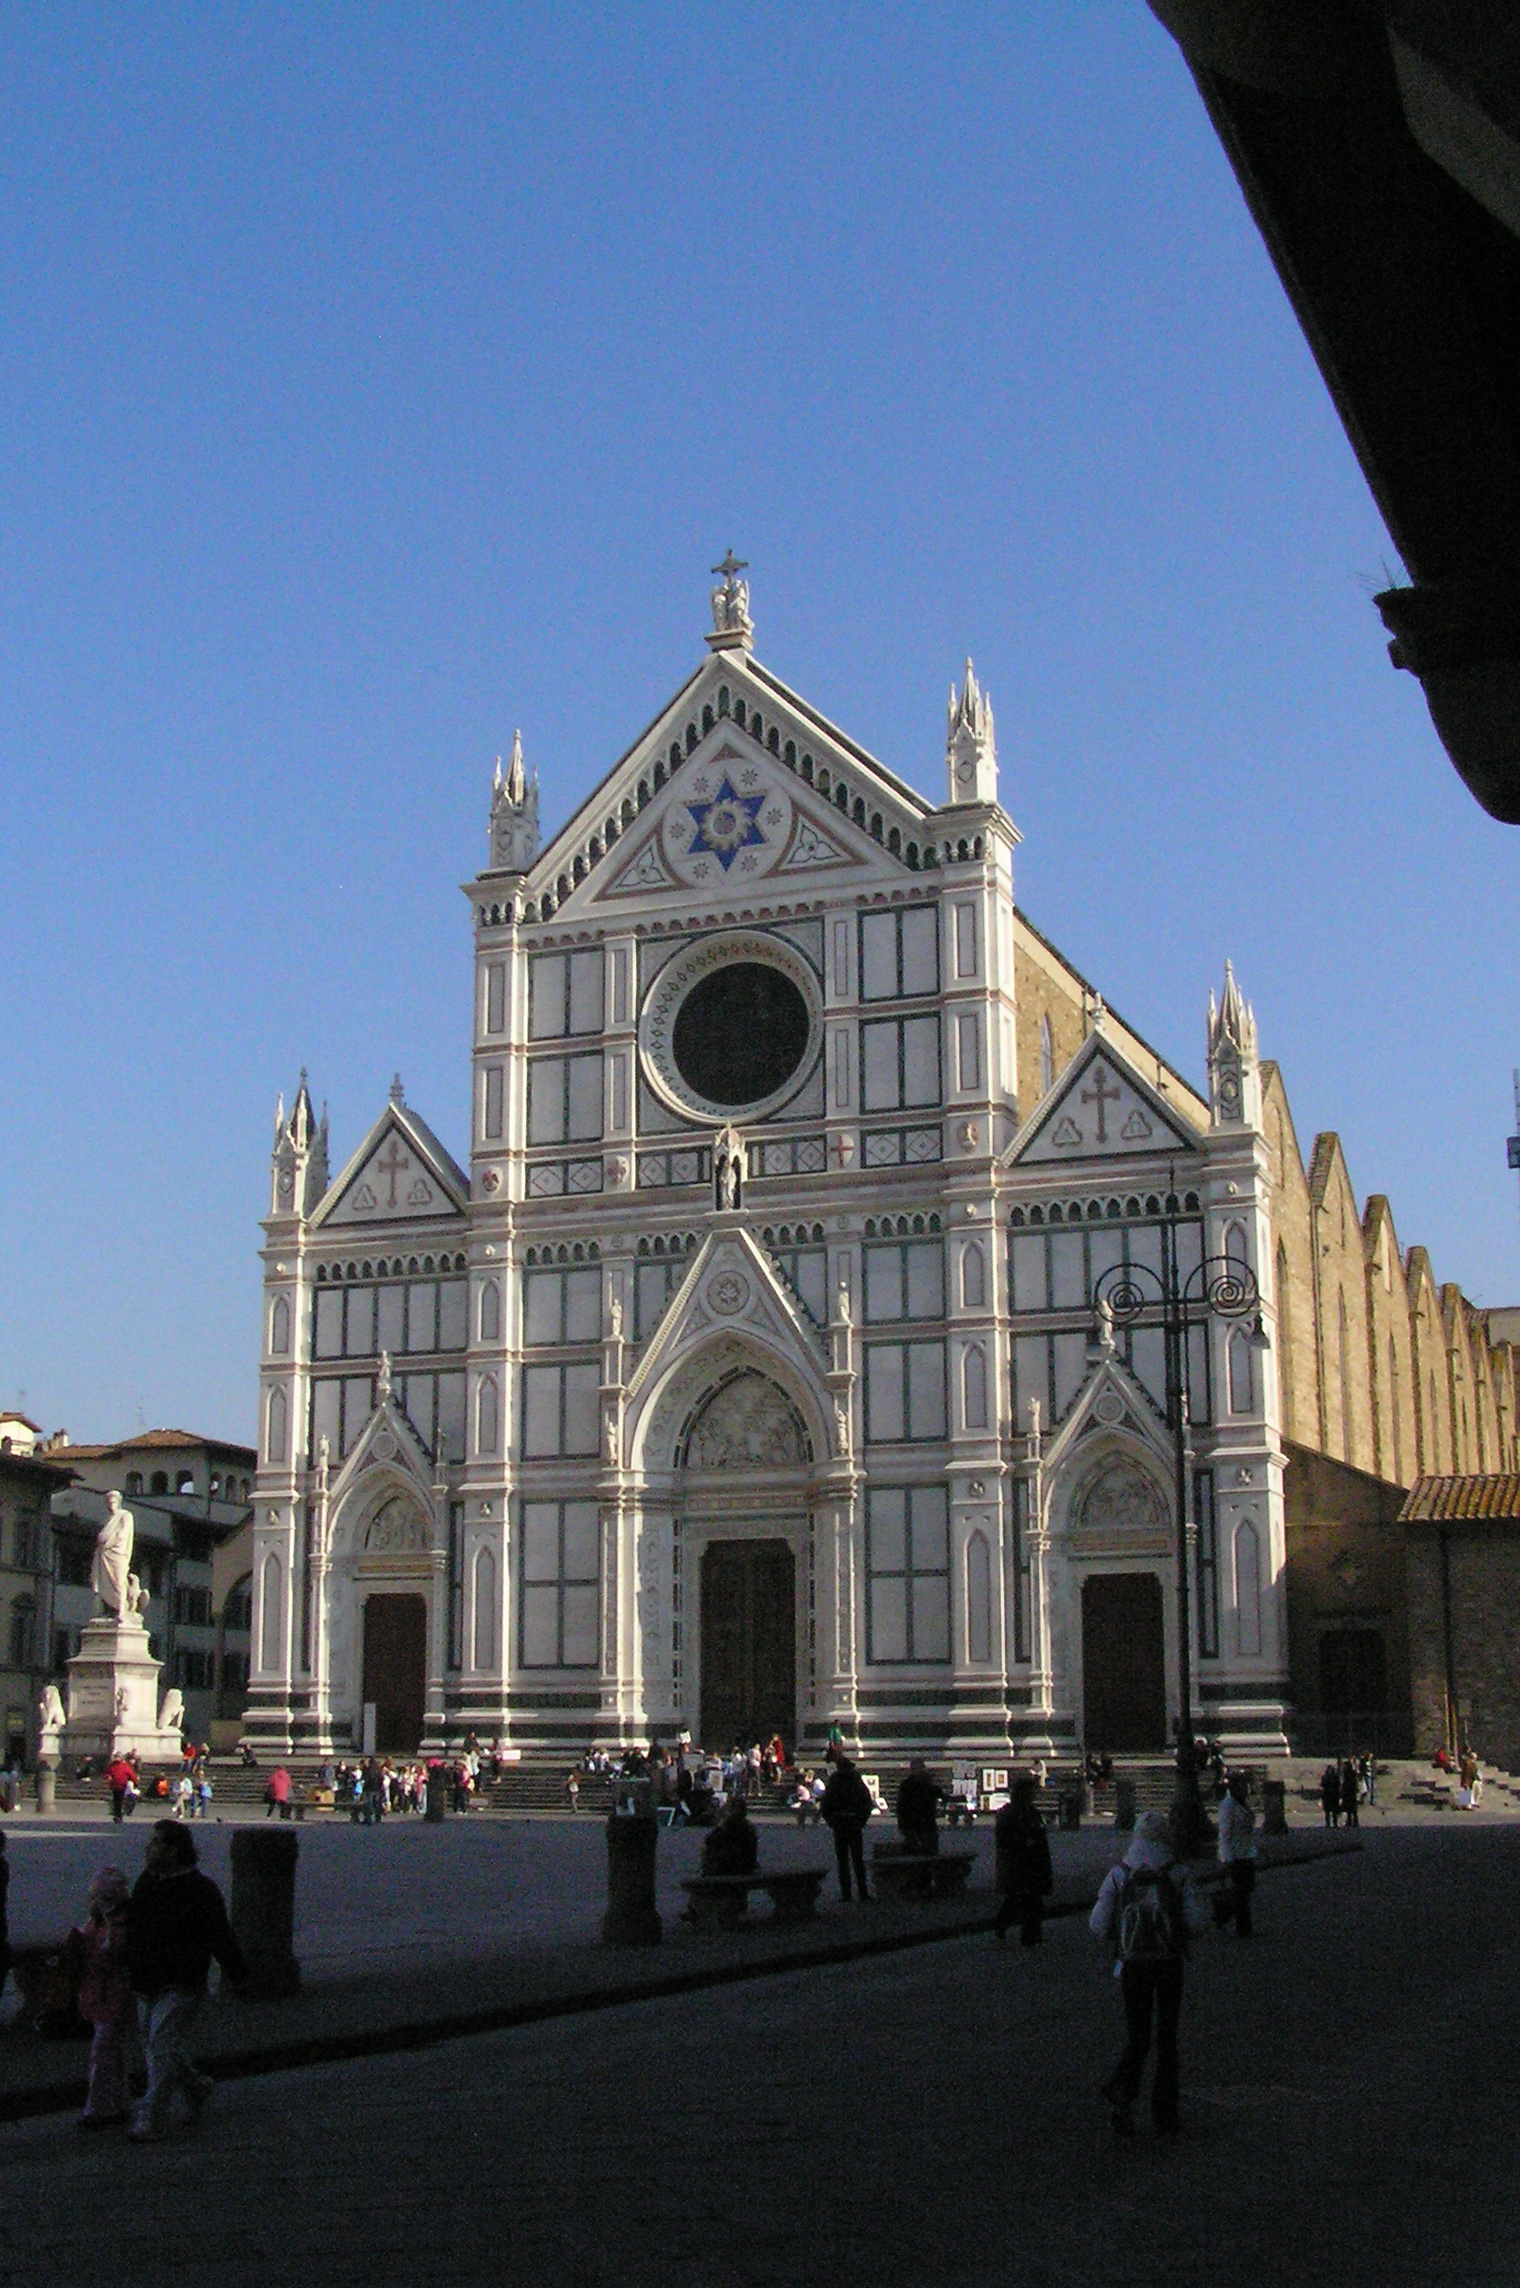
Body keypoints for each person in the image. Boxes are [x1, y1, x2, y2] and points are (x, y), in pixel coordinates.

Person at [125, 1820, 247, 2141]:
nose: (147, 1849)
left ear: (173, 1850)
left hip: (181, 1981)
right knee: (156, 2048)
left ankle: (150, 2115)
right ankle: (195, 2086)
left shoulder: (200, 1889)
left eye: (155, 1844)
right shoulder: (146, 1883)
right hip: (146, 1981)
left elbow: (220, 1935)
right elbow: (134, 1929)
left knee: (161, 2047)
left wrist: (239, 1975)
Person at [1090, 1810, 1209, 2137]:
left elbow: (1097, 1925)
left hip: (1132, 1964)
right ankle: (1165, 2111)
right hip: (1169, 1962)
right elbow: (1198, 1922)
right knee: (1167, 2038)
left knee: (1138, 2034)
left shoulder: (1119, 1873)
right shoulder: (1178, 1873)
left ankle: (1123, 2093)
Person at [75, 1867, 138, 2127]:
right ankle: (119, 2102)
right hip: (105, 1994)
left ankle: (99, 2107)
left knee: (103, 2049)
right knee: (112, 2051)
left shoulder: (114, 1924)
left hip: (112, 1993)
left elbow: (107, 1955)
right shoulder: (103, 1921)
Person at [994, 1775, 1053, 1946]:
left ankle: (1031, 1936)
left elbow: (1040, 1836)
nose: (1032, 1795)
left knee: (1030, 1901)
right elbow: (1004, 1840)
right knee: (1020, 1899)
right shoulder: (1010, 1814)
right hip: (1019, 1864)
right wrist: (1025, 1842)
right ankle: (1008, 1927)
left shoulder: (1032, 1812)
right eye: (1029, 1792)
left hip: (1033, 1864)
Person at [821, 1751, 874, 1903]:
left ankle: (846, 1894)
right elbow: (866, 1802)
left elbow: (826, 1804)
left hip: (840, 1823)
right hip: (854, 1822)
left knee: (843, 1861)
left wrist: (832, 1820)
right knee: (858, 1859)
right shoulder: (856, 1781)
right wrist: (861, 1819)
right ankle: (863, 1893)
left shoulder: (834, 1782)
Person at [1213, 1772, 1257, 1937]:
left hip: (1246, 1853)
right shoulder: (1228, 1805)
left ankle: (1223, 1916)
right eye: (1242, 1786)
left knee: (1246, 1889)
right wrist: (1226, 1858)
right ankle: (1243, 1928)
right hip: (1235, 1855)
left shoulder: (1242, 1804)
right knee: (1241, 1892)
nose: (1246, 1789)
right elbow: (1224, 1833)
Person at [702, 1793, 758, 1878]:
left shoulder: (727, 1826)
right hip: (746, 1869)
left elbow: (709, 1841)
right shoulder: (749, 1827)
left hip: (724, 1870)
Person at [895, 1759, 944, 1856]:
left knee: (916, 1852)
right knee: (925, 1852)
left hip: (917, 1824)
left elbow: (901, 1807)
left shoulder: (908, 1785)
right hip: (922, 1824)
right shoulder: (927, 1784)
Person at [107, 1754, 135, 1825]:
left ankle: (118, 1814)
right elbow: (107, 1772)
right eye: (116, 1757)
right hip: (114, 1785)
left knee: (119, 1800)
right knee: (116, 1800)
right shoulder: (112, 1765)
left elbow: (130, 1774)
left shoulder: (124, 1766)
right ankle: (117, 1814)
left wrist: (134, 1781)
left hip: (122, 1785)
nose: (117, 1758)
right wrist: (108, 1776)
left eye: (118, 1757)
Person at [1339, 1758, 1360, 1830]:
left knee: (1350, 1809)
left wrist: (1343, 1792)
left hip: (1349, 1793)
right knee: (1351, 1809)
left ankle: (1352, 1821)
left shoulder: (1348, 1775)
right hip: (1350, 1793)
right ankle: (1351, 1821)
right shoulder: (1350, 1775)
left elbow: (1347, 1785)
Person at [1320, 1763, 1341, 1829]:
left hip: (1328, 1795)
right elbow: (1338, 1785)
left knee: (1328, 1812)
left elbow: (1322, 1785)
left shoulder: (1325, 1777)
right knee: (1333, 1811)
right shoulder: (1335, 1777)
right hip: (1333, 1795)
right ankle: (1334, 1824)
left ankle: (1329, 1824)